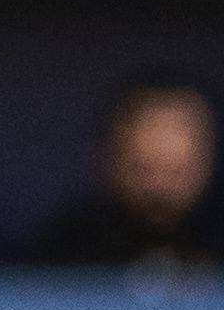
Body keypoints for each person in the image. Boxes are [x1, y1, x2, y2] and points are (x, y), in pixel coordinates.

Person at [31, 80, 219, 276]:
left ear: (206, 163)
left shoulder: (215, 241)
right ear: (109, 160)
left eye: (177, 173)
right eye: (145, 170)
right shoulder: (66, 251)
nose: (160, 189)